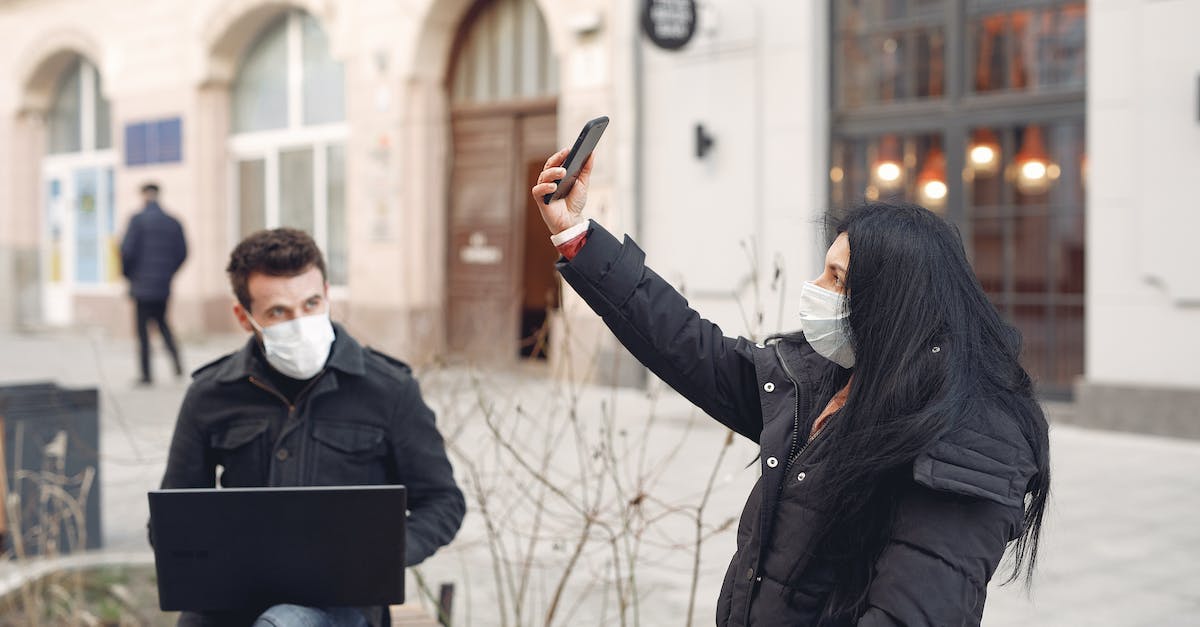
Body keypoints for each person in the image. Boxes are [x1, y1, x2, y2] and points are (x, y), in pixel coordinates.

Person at [531, 150, 1050, 626]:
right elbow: (692, 349)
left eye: (837, 278)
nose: (816, 291)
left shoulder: (971, 440)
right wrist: (576, 237)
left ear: (893, 302)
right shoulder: (831, 374)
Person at [159, 228, 465, 627]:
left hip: (344, 601)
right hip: (234, 597)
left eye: (311, 303)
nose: (300, 323)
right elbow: (173, 514)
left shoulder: (389, 389)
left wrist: (383, 553)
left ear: (326, 293)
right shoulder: (211, 394)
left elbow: (443, 501)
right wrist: (205, 556)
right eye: (278, 312)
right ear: (244, 317)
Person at [120, 182, 187, 385]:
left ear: (144, 196)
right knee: (163, 324)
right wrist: (168, 273)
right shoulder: (173, 222)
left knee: (142, 331)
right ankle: (177, 363)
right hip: (163, 285)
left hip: (141, 286)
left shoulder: (137, 221)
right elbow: (183, 253)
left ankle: (146, 374)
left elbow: (126, 252)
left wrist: (129, 276)